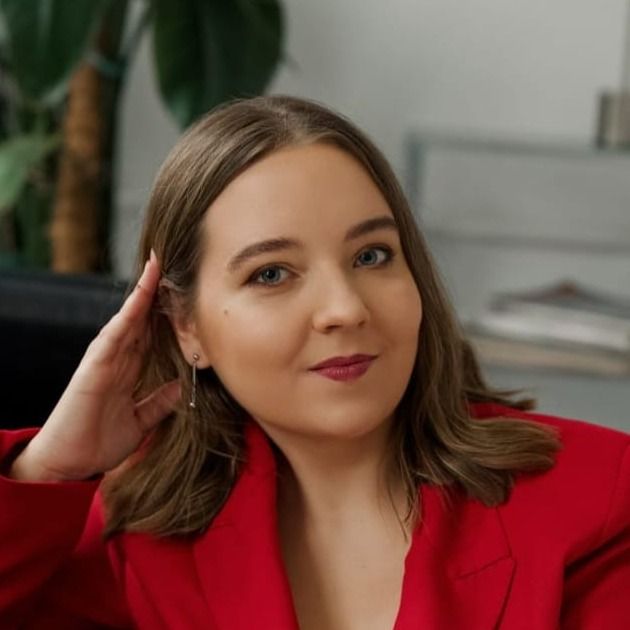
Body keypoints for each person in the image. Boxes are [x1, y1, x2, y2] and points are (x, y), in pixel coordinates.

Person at [0, 95, 628, 630]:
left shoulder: (602, 502)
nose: (345, 308)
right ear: (186, 326)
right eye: (272, 273)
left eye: (372, 256)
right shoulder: (136, 540)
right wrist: (47, 468)